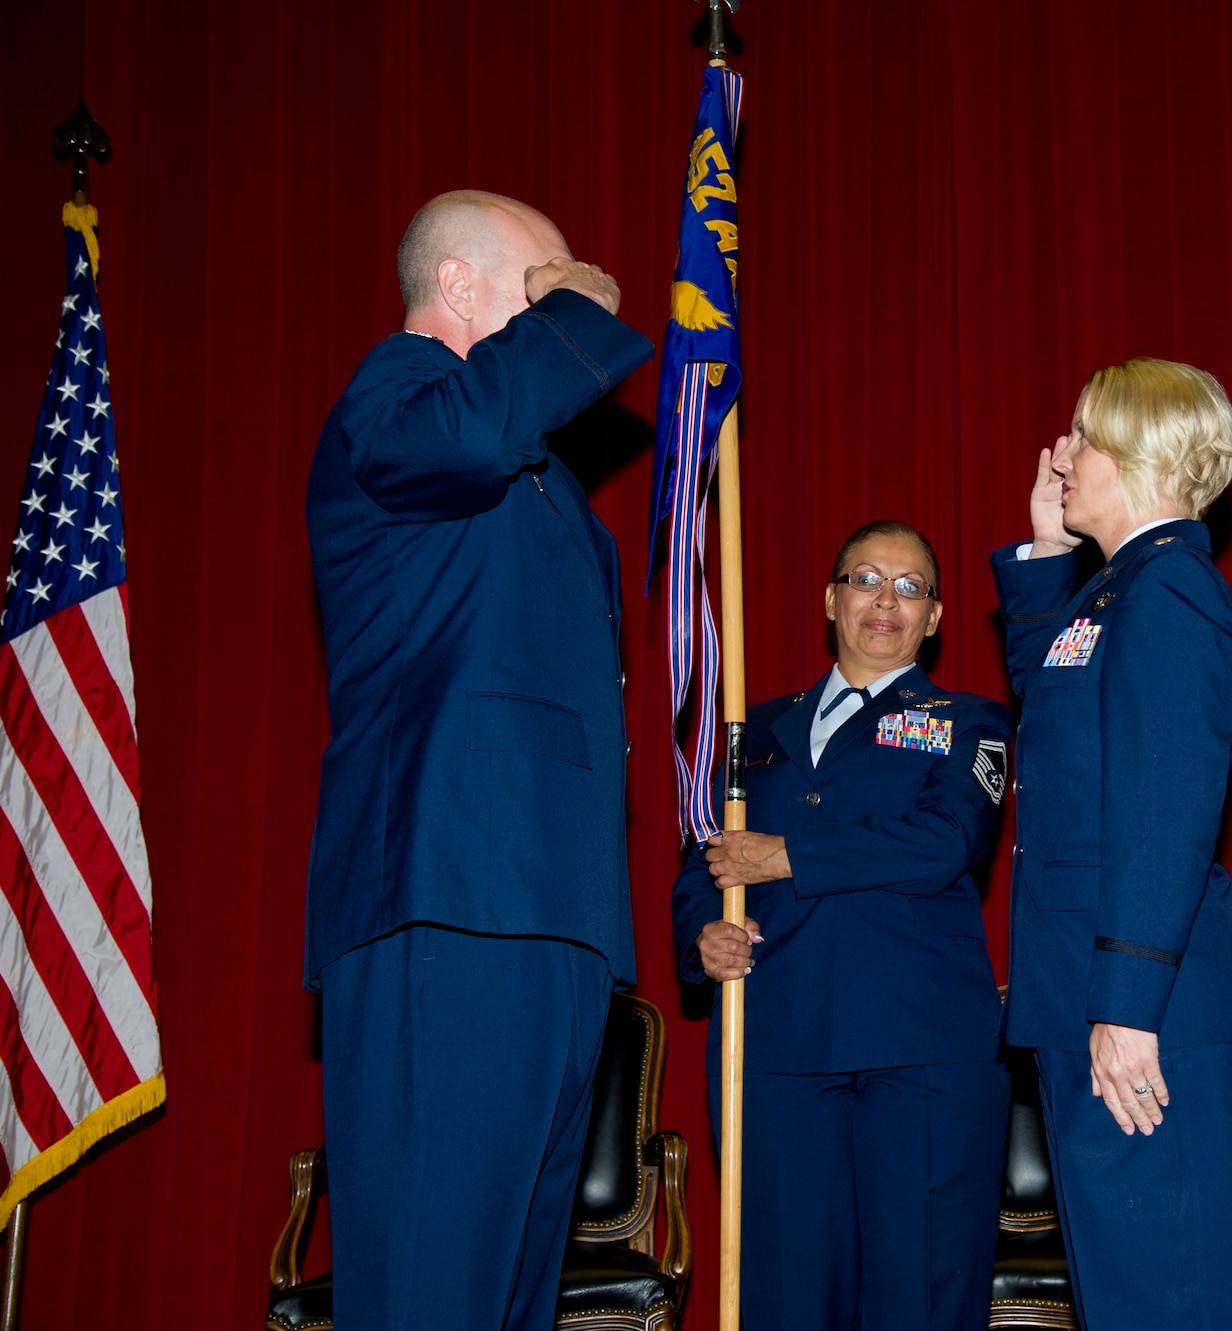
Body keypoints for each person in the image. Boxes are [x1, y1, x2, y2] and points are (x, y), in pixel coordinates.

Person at [305, 190, 655, 1331]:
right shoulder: (396, 395)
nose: (576, 278)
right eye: (544, 269)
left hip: (552, 915)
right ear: (460, 290)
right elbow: (466, 431)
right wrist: (581, 310)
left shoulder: (546, 484)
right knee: (428, 1287)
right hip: (449, 902)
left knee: (509, 1298)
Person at [990, 358, 1232, 1330]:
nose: (1062, 455)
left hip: (1146, 1016)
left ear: (1146, 455)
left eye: (1084, 435)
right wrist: (1040, 548)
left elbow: (1165, 813)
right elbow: (1058, 715)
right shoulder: (1117, 594)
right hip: (1095, 1003)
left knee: (1175, 1296)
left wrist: (1124, 1005)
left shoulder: (1172, 594)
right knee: (1130, 1298)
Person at [672, 520, 1012, 1331]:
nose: (885, 601)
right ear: (831, 600)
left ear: (934, 617)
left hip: (922, 1051)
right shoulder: (749, 733)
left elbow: (948, 838)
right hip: (778, 1048)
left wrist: (790, 856)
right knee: (784, 1297)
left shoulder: (970, 721)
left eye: (910, 586)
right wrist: (701, 936)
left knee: (920, 1299)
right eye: (865, 579)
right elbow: (700, 861)